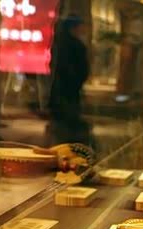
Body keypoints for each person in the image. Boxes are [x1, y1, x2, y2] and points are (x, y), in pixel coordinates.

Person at [47, 14, 91, 145]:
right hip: (70, 87)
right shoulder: (76, 45)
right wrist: (78, 80)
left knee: (60, 119)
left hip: (60, 86)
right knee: (68, 119)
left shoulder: (57, 43)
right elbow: (80, 68)